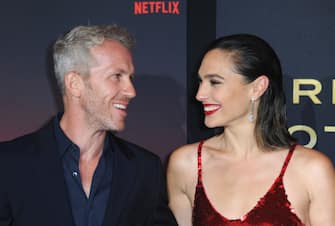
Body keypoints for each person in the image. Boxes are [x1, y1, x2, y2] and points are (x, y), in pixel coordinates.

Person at [0, 25, 177, 226]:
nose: (131, 91)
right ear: (75, 84)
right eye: (117, 76)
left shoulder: (144, 169)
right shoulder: (8, 165)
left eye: (130, 78)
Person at [167, 34, 335, 226]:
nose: (200, 94)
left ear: (257, 87)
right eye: (200, 82)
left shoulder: (311, 169)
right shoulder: (185, 164)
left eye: (215, 82)